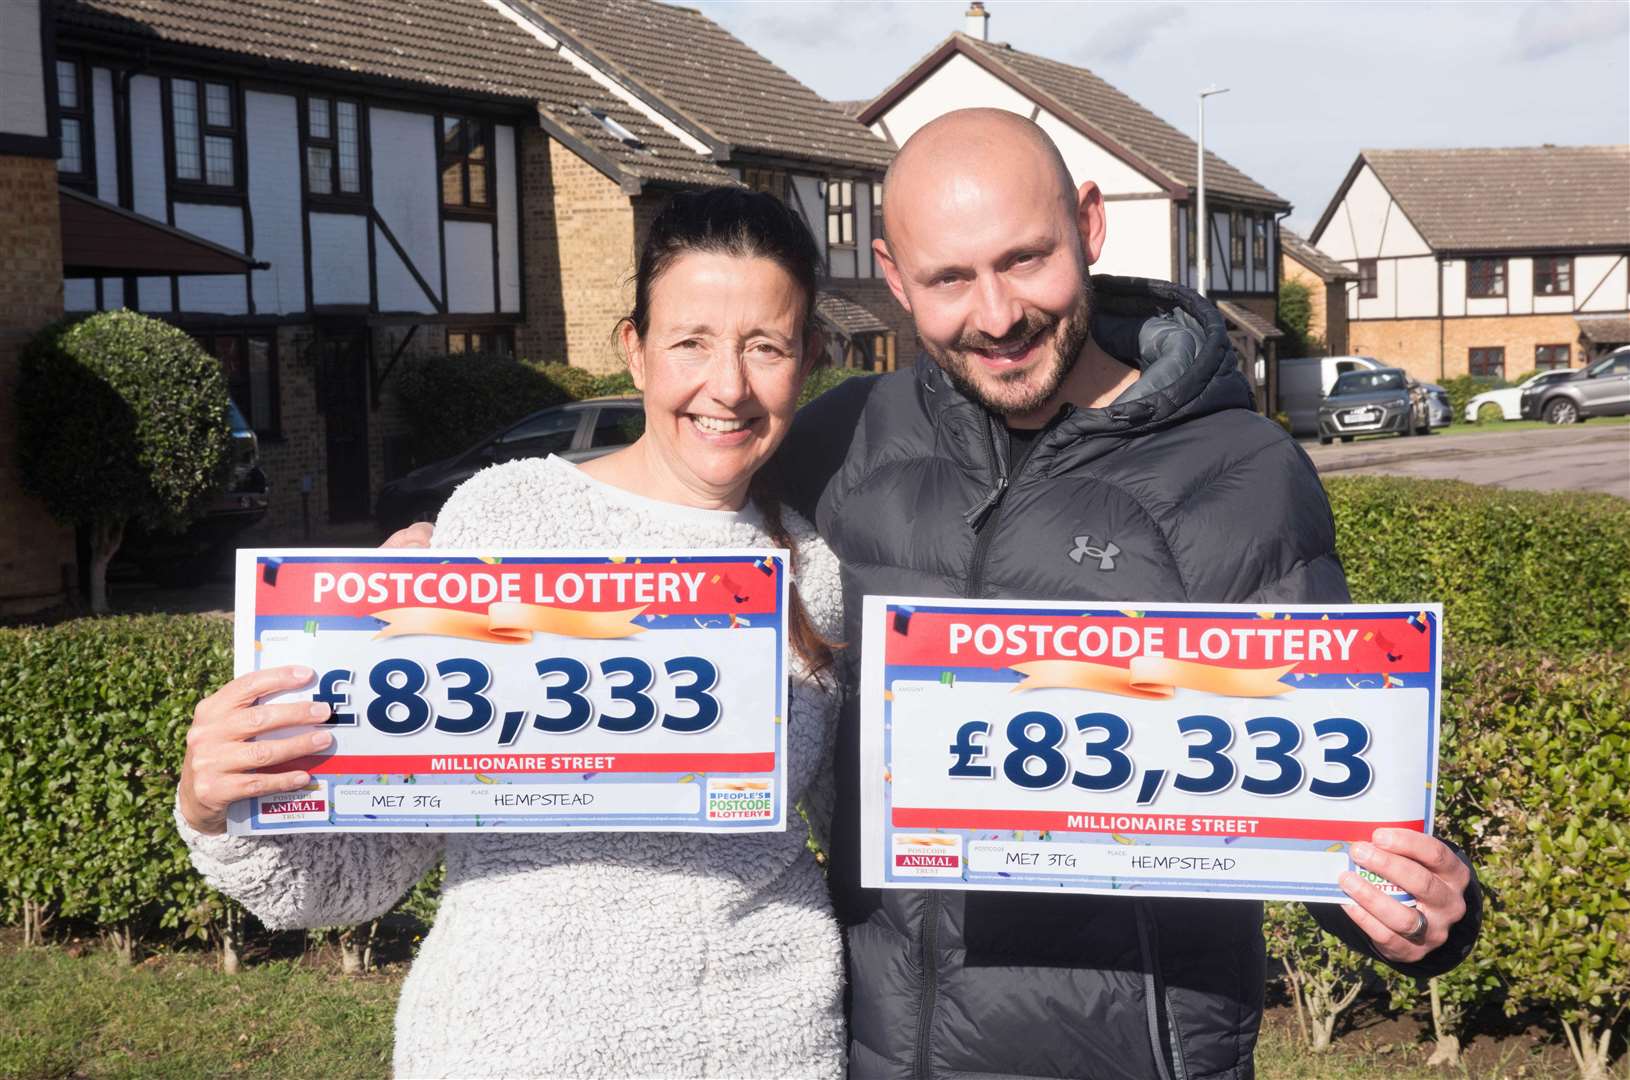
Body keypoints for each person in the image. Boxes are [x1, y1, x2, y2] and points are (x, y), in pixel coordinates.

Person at [774, 109, 1483, 1079]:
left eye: (1025, 259)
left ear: (1089, 225)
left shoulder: (1242, 472)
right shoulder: (842, 440)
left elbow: (1325, 794)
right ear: (894, 279)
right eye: (948, 278)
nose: (995, 315)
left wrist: (1417, 910)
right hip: (879, 1055)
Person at [177, 188, 849, 1078]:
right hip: (505, 1046)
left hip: (762, 1048)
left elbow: (877, 855)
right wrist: (222, 802)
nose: (727, 384)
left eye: (764, 346)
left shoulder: (822, 574)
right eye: (691, 340)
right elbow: (351, 871)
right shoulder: (504, 519)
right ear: (635, 350)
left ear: (805, 361)